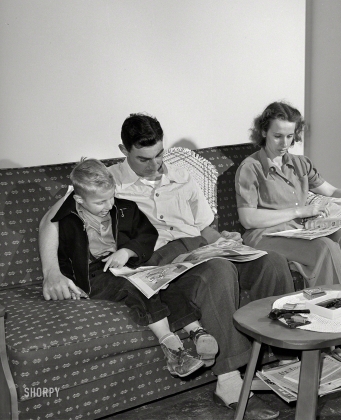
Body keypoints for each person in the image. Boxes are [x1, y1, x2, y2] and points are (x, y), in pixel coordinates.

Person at [40, 114, 293, 420]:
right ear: (124, 149)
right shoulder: (105, 183)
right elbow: (50, 220)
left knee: (272, 261)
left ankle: (284, 361)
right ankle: (229, 381)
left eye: (159, 154)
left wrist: (224, 239)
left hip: (201, 246)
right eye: (144, 159)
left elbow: (205, 228)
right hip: (163, 260)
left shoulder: (183, 176)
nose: (155, 164)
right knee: (219, 271)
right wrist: (52, 273)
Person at [235, 101, 341, 368]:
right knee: (324, 247)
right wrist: (298, 211)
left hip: (297, 233)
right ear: (263, 132)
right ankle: (329, 335)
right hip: (263, 235)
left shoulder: (299, 163)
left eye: (290, 136)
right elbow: (248, 218)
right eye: (278, 135)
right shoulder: (250, 168)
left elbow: (331, 192)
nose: (284, 142)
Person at [53, 158, 216, 378]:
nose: (109, 206)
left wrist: (127, 251)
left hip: (125, 264)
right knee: (138, 287)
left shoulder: (124, 208)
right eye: (100, 202)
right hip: (92, 275)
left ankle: (196, 330)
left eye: (111, 197)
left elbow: (147, 234)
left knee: (160, 282)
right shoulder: (68, 221)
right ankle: (173, 350)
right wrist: (69, 282)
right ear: (79, 199)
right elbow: (62, 257)